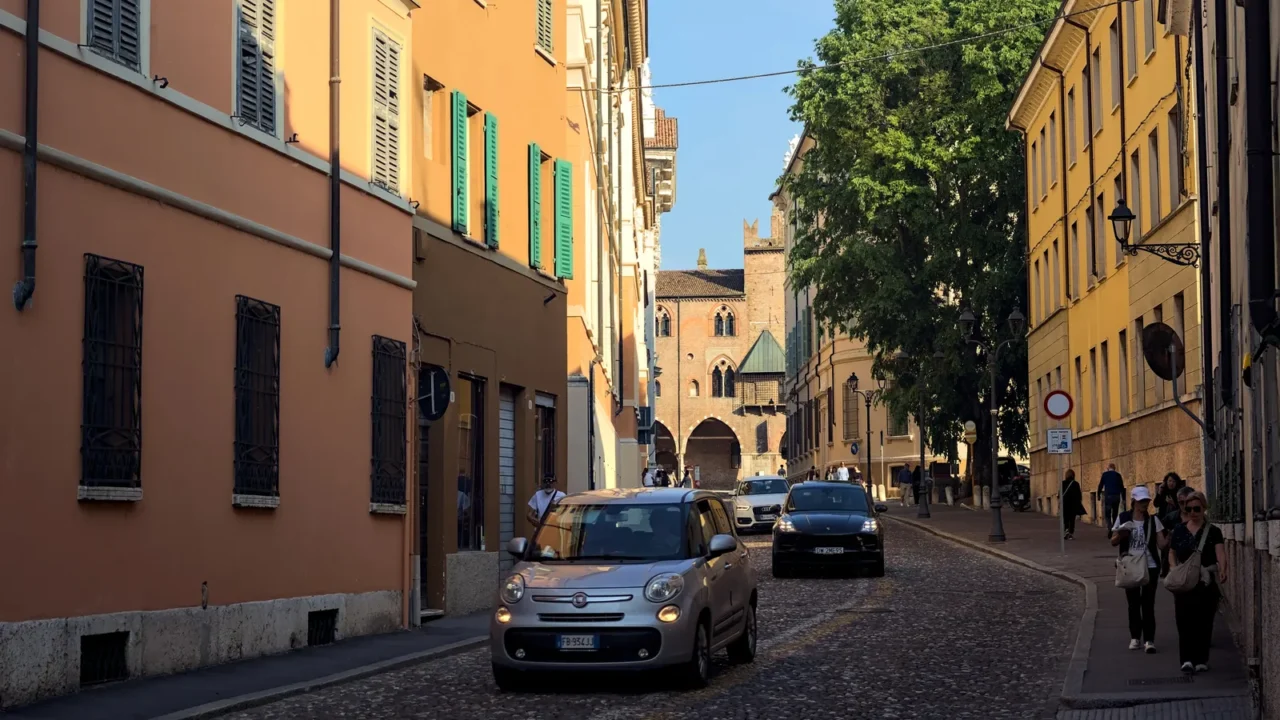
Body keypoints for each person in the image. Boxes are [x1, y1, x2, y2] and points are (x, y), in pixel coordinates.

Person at [1167, 491, 1227, 673]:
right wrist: (1173, 568)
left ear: (1203, 508)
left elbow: (1220, 552)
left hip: (1204, 581)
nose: (1193, 512)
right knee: (1184, 621)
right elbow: (1172, 551)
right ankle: (1186, 659)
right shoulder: (1179, 530)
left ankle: (1201, 659)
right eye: (1189, 509)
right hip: (1185, 581)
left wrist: (1223, 568)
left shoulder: (1213, 531)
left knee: (1204, 621)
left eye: (1197, 509)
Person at [1110, 486, 1166, 653]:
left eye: (1146, 501)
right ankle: (1135, 637)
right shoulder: (1123, 518)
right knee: (1133, 604)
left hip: (1150, 566)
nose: (1144, 504)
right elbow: (1113, 541)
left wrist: (1170, 535)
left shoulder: (1153, 520)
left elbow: (1161, 544)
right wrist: (1121, 535)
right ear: (1134, 501)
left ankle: (1149, 640)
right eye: (1141, 501)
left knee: (1148, 604)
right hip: (1130, 565)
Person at [1098, 463, 1127, 533]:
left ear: (1108, 468)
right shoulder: (1118, 475)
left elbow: (1100, 485)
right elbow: (1122, 487)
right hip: (1116, 496)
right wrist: (1123, 498)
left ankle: (1109, 526)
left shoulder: (1105, 475)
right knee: (1115, 512)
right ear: (1114, 468)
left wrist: (1098, 495)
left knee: (1107, 513)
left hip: (1108, 496)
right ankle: (1114, 526)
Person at [1061, 469, 1086, 540]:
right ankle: (1071, 533)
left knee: (1065, 518)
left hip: (1065, 504)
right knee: (1072, 519)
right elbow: (1079, 495)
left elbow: (1060, 494)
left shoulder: (1062, 483)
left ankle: (1066, 531)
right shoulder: (1076, 484)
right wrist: (1079, 502)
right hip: (1073, 504)